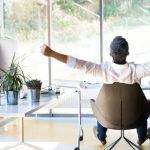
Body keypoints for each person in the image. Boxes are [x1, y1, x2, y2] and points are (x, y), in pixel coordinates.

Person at [41, 36, 150, 145]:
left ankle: (101, 136)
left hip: (108, 118)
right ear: (128, 53)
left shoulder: (102, 70)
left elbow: (76, 63)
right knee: (142, 105)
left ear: (110, 54)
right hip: (134, 119)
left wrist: (51, 53)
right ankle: (142, 137)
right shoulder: (136, 71)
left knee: (100, 105)